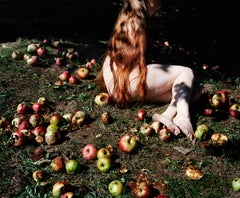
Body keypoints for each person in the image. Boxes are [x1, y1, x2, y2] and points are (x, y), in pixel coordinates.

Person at [96, 0, 201, 144]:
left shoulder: (130, 13)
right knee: (186, 73)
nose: (159, 6)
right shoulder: (135, 17)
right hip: (124, 82)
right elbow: (128, 60)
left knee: (194, 92)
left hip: (114, 84)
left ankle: (168, 114)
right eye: (157, 3)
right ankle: (183, 116)